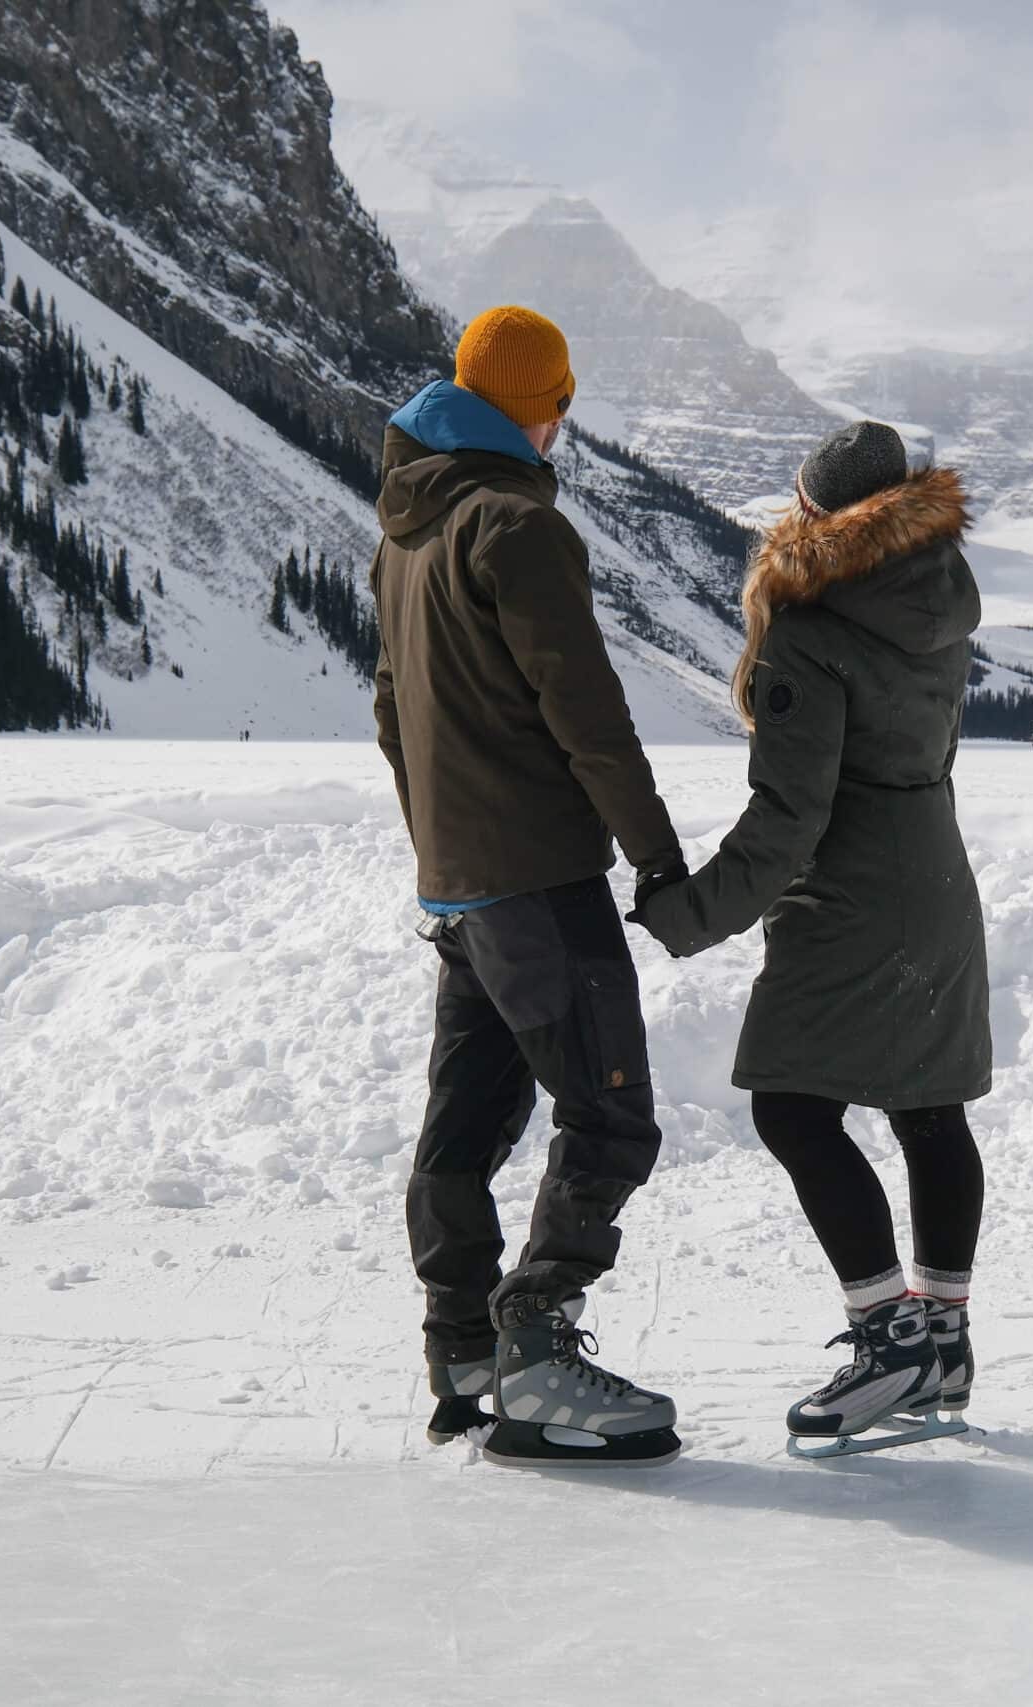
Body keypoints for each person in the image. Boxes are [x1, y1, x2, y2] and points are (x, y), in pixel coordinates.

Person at [371, 305, 689, 1467]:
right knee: (609, 1117)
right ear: (539, 407)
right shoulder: (514, 527)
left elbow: (389, 715)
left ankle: (460, 1350)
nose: (562, 427)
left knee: (463, 1127)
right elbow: (586, 715)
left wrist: (438, 856)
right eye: (559, 407)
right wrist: (653, 854)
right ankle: (536, 1348)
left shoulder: (406, 530)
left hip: (460, 885)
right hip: (540, 880)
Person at [638, 421, 993, 1445]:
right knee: (928, 1109)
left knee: (793, 1109)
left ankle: (889, 1339)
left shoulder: (812, 630)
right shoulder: (938, 593)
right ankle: (940, 1343)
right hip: (933, 870)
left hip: (849, 895)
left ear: (816, 516)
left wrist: (684, 910)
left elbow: (789, 821)